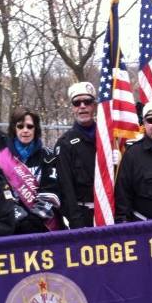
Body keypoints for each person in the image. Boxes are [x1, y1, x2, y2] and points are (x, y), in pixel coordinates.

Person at [0, 107, 61, 234]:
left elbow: (52, 189)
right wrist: (20, 217)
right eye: (20, 126)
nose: (25, 130)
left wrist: (37, 217)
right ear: (14, 128)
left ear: (36, 129)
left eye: (30, 126)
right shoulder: (0, 159)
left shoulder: (48, 156)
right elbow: (1, 193)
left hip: (44, 225)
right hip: (14, 226)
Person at [56, 82, 98, 228]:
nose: (82, 106)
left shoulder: (108, 137)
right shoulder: (65, 143)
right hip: (83, 215)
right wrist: (76, 221)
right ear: (72, 108)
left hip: (109, 211)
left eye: (87, 102)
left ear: (94, 105)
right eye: (77, 103)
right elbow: (66, 188)